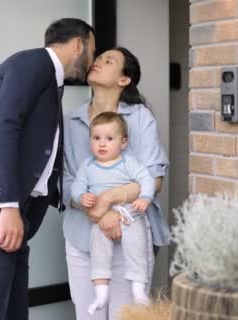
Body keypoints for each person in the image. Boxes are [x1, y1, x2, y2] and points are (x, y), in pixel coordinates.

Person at [0, 18, 95, 320]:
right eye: (92, 49)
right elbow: (2, 126)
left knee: (12, 312)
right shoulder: (34, 63)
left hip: (7, 211)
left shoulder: (48, 78)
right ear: (78, 44)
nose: (92, 60)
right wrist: (8, 206)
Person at [63, 47, 169, 320]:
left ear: (124, 80)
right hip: (80, 237)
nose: (97, 62)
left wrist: (110, 199)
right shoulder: (70, 121)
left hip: (129, 234)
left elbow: (153, 179)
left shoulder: (140, 117)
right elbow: (64, 183)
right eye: (98, 58)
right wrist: (99, 213)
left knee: (126, 315)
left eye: (108, 61)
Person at [70, 112, 155, 315]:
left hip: (129, 215)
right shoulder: (88, 166)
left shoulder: (128, 163)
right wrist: (82, 197)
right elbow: (76, 186)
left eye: (109, 139)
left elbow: (148, 179)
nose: (102, 144)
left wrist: (145, 198)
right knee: (98, 251)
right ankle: (101, 292)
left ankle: (138, 288)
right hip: (99, 220)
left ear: (123, 142)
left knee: (136, 247)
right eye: (96, 138)